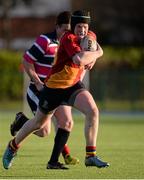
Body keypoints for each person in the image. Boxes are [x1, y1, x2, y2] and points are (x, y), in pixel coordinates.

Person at [2, 10, 109, 170]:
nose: (82, 30)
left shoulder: (89, 36)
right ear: (73, 27)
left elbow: (90, 45)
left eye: (85, 27)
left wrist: (91, 55)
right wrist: (98, 53)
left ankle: (90, 155)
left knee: (92, 111)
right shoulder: (68, 38)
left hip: (73, 85)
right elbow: (79, 59)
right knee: (39, 125)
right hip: (53, 88)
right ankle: (12, 146)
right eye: (79, 26)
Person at [9, 11, 79, 165]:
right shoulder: (45, 40)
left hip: (57, 90)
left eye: (70, 30)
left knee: (65, 122)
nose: (67, 33)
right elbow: (27, 61)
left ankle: (64, 156)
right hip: (38, 90)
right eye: (64, 29)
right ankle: (22, 121)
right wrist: (39, 83)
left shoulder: (71, 43)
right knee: (43, 131)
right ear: (57, 27)